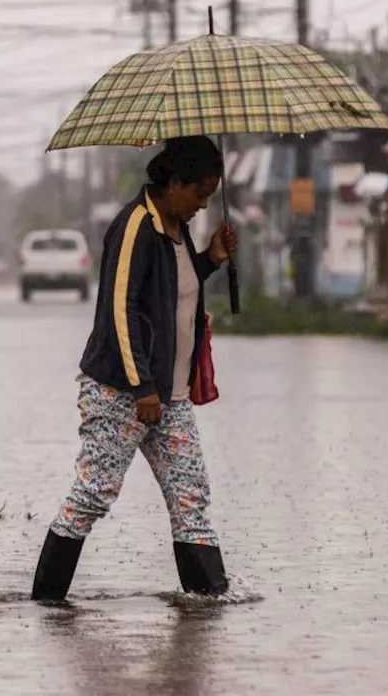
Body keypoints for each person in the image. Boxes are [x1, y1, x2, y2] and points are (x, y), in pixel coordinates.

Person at [31, 136, 238, 600]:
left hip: (172, 397)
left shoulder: (178, 231)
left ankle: (209, 604)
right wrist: (142, 388)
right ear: (174, 183)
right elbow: (119, 310)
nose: (203, 206)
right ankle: (46, 604)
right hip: (119, 393)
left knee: (192, 500)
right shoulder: (135, 227)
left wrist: (210, 261)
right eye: (199, 194)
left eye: (210, 195)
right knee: (93, 494)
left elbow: (171, 294)